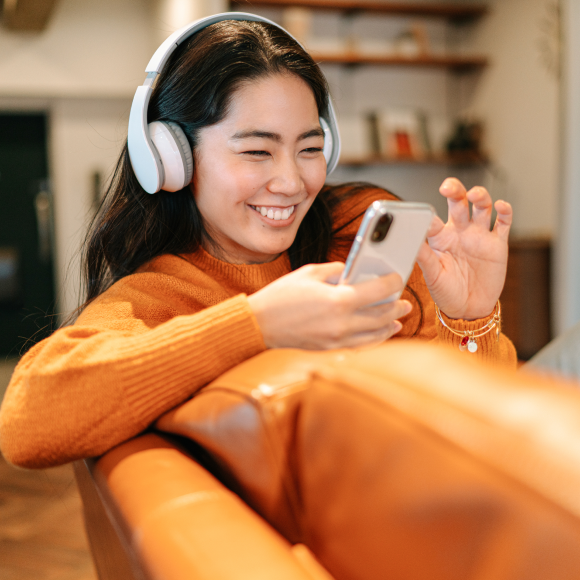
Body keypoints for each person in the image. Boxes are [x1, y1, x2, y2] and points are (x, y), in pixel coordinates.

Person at [0, 14, 516, 469]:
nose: (292, 182)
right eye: (256, 152)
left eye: (309, 147)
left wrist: (469, 319)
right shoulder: (158, 297)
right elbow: (27, 420)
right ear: (172, 159)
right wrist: (258, 325)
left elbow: (481, 415)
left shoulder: (357, 227)